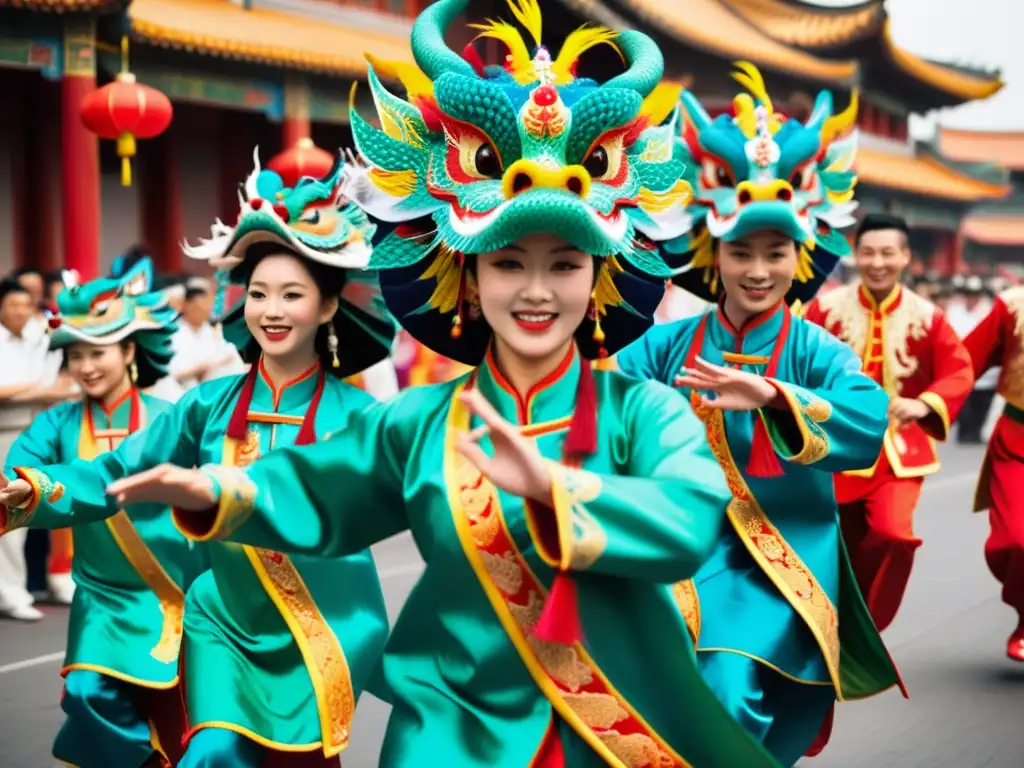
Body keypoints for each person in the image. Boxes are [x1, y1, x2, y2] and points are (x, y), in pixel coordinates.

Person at [97, 1, 782, 765]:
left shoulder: (642, 413)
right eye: (509, 263)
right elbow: (322, 487)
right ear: (468, 274)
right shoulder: (419, 423)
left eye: (564, 265)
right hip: (448, 718)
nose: (535, 290)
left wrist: (556, 487)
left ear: (598, 282)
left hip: (608, 718)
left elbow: (689, 513)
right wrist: (217, 493)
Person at [0, 148, 397, 766]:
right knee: (210, 753)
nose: (271, 310)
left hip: (315, 626)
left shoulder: (363, 418)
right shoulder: (206, 405)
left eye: (292, 295)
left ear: (326, 307)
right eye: (259, 293)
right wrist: (36, 491)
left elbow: (403, 507)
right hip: (222, 622)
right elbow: (113, 472)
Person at [616, 65, 906, 765]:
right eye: (740, 251)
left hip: (776, 560)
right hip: (677, 553)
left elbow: (867, 415)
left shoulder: (812, 349)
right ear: (713, 254)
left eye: (775, 253)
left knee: (729, 686)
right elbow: (607, 410)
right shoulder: (667, 345)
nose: (757, 269)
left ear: (798, 257)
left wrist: (778, 398)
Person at [0, 258, 198, 767]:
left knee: (181, 717)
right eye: (76, 356)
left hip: (174, 592)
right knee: (90, 692)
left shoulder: (167, 419)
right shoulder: (56, 422)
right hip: (102, 598)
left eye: (98, 352)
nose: (86, 366)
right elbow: (20, 470)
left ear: (130, 351)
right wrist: (21, 490)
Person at [802, 214, 974, 635]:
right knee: (836, 546)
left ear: (905, 257)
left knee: (893, 537)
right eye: (867, 252)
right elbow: (798, 361)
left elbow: (958, 370)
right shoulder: (825, 308)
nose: (877, 262)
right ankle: (834, 623)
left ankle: (866, 631)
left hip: (898, 451)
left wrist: (925, 403)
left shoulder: (927, 316)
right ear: (855, 254)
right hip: (835, 446)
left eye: (887, 252)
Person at [0, 278, 74, 619]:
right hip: (4, 431)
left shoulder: (37, 339)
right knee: (9, 514)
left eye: (24, 305)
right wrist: (38, 389)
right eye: (12, 304)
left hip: (35, 432)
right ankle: (10, 593)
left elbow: (59, 386)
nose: (19, 311)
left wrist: (36, 390)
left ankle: (24, 586)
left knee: (34, 505)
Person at [961, 282, 1024, 660]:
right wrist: (925, 402)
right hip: (1018, 439)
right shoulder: (1014, 306)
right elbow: (963, 361)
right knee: (1014, 542)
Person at [948, 274, 998, 443]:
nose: (971, 298)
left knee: (982, 404)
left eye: (974, 294)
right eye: (968, 294)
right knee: (964, 404)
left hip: (986, 371)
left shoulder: (990, 311)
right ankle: (965, 432)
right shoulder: (954, 312)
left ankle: (976, 432)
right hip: (961, 368)